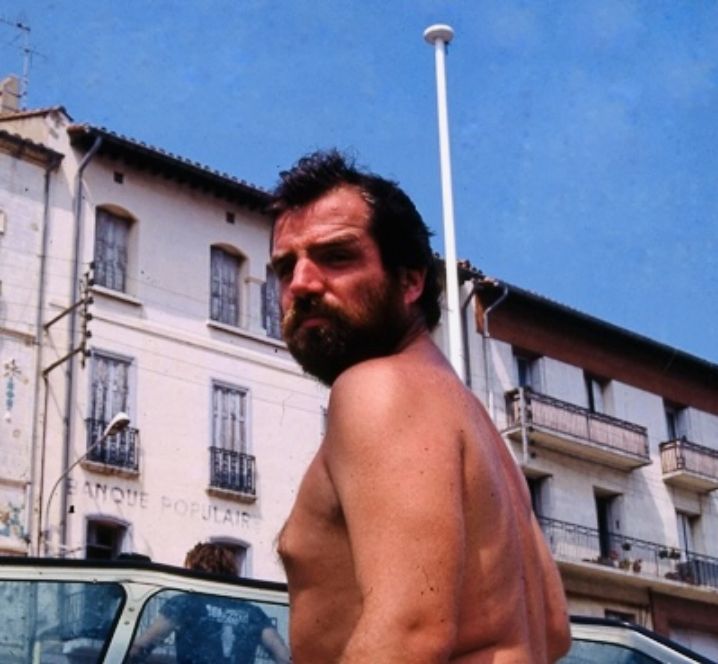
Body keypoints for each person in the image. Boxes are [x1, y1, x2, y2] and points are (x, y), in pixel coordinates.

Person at [270, 150, 571, 663]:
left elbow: (409, 633)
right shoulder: (472, 424)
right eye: (285, 267)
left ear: (411, 281)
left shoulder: (378, 388)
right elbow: (554, 628)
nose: (300, 284)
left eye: (336, 256)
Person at [129, 542, 291, 664]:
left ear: (194, 568)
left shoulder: (184, 604)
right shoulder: (253, 612)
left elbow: (141, 647)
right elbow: (283, 657)